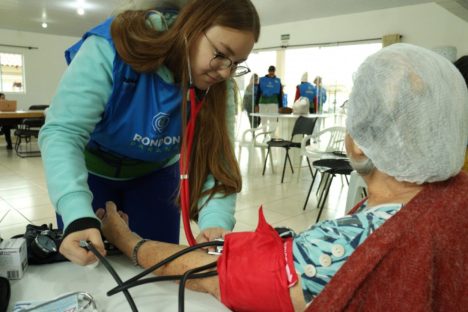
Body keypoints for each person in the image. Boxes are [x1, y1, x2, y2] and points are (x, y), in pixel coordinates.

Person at [96, 43, 468, 311]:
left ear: (357, 144)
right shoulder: (456, 199)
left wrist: (125, 238)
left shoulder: (341, 247)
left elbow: (210, 274)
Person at [38, 0, 260, 266]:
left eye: (237, 63)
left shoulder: (218, 87)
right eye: (221, 54)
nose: (225, 71)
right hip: (91, 173)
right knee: (90, 264)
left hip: (155, 176)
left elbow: (218, 161)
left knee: (157, 266)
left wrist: (215, 224)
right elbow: (63, 131)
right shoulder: (110, 46)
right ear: (190, 27)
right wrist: (76, 212)